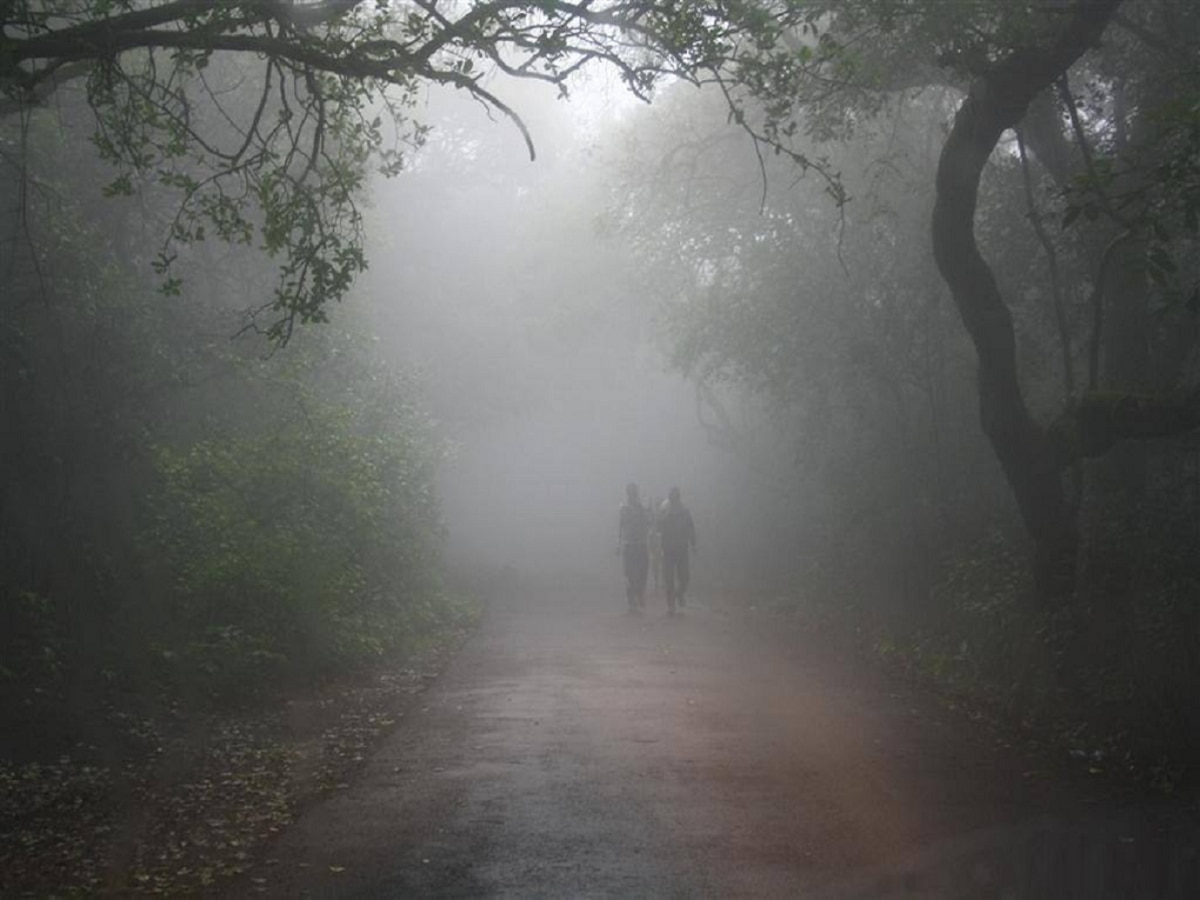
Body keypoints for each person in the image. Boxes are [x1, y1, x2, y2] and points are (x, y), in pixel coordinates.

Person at [659, 486, 696, 615]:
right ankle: (671, 606)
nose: (674, 502)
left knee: (685, 577)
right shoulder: (664, 512)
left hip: (682, 549)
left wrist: (693, 544)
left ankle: (679, 594)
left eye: (675, 499)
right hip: (668, 550)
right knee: (668, 579)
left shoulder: (685, 512)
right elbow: (658, 528)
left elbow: (691, 528)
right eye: (672, 499)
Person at [616, 482, 650, 612]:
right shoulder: (624, 509)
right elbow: (621, 526)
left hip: (641, 543)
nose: (632, 495)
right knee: (629, 574)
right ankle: (632, 601)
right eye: (630, 493)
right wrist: (618, 543)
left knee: (643, 571)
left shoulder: (642, 508)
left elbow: (649, 522)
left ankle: (640, 593)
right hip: (629, 544)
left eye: (634, 493)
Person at [646, 496, 663, 597]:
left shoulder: (662, 515)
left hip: (660, 541)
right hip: (654, 541)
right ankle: (656, 584)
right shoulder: (650, 516)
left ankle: (661, 584)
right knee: (655, 563)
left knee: (660, 563)